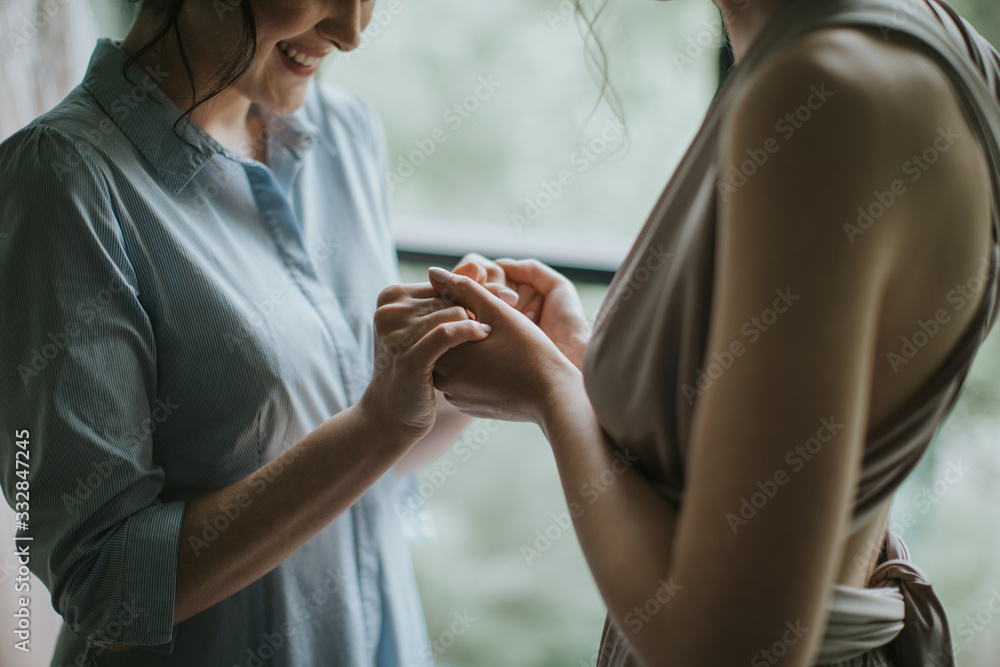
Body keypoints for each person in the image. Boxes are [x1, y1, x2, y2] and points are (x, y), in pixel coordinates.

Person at [415, 0, 1000, 664]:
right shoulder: (913, 40)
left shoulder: (820, 93)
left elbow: (729, 648)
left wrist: (550, 391)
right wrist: (579, 366)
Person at [0, 1, 532, 665]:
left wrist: (448, 361)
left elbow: (359, 473)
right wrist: (377, 424)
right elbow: (105, 585)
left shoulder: (345, 133)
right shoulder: (63, 180)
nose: (351, 31)